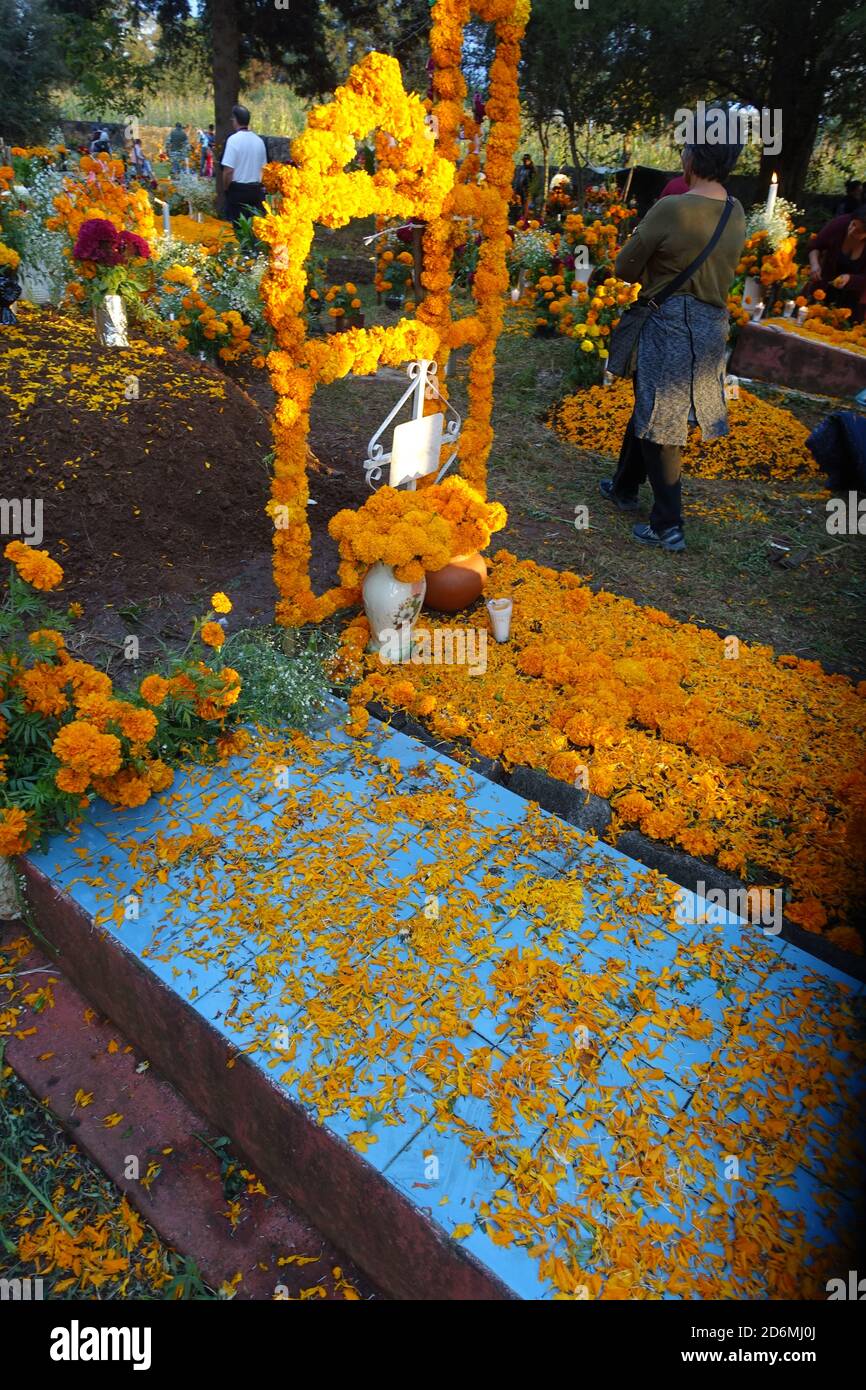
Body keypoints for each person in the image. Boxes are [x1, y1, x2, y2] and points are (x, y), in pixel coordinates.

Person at [600, 135, 746, 553]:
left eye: (684, 150)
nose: (680, 156)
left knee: (662, 421)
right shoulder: (735, 212)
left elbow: (624, 266)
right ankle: (624, 486)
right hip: (709, 328)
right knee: (651, 402)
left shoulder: (673, 207)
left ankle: (668, 524)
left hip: (669, 324)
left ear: (695, 159)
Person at [807, 205, 866, 322]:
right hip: (822, 288)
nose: (851, 231)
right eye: (853, 224)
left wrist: (850, 279)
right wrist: (815, 264)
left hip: (852, 302)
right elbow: (815, 245)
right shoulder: (840, 223)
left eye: (858, 231)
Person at [221, 105, 267, 228]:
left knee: (239, 228)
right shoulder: (259, 141)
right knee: (254, 228)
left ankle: (243, 247)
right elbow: (264, 169)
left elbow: (228, 171)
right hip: (256, 190)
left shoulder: (233, 140)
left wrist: (226, 188)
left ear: (235, 120)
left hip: (238, 191)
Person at [512, 153, 539, 218]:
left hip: (527, 191)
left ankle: (525, 220)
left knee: (527, 207)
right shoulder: (521, 168)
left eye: (526, 160)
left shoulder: (533, 169)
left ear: (530, 160)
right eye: (524, 160)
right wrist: (515, 189)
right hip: (520, 190)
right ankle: (520, 218)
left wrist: (530, 192)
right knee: (519, 206)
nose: (525, 161)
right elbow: (518, 179)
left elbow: (534, 182)